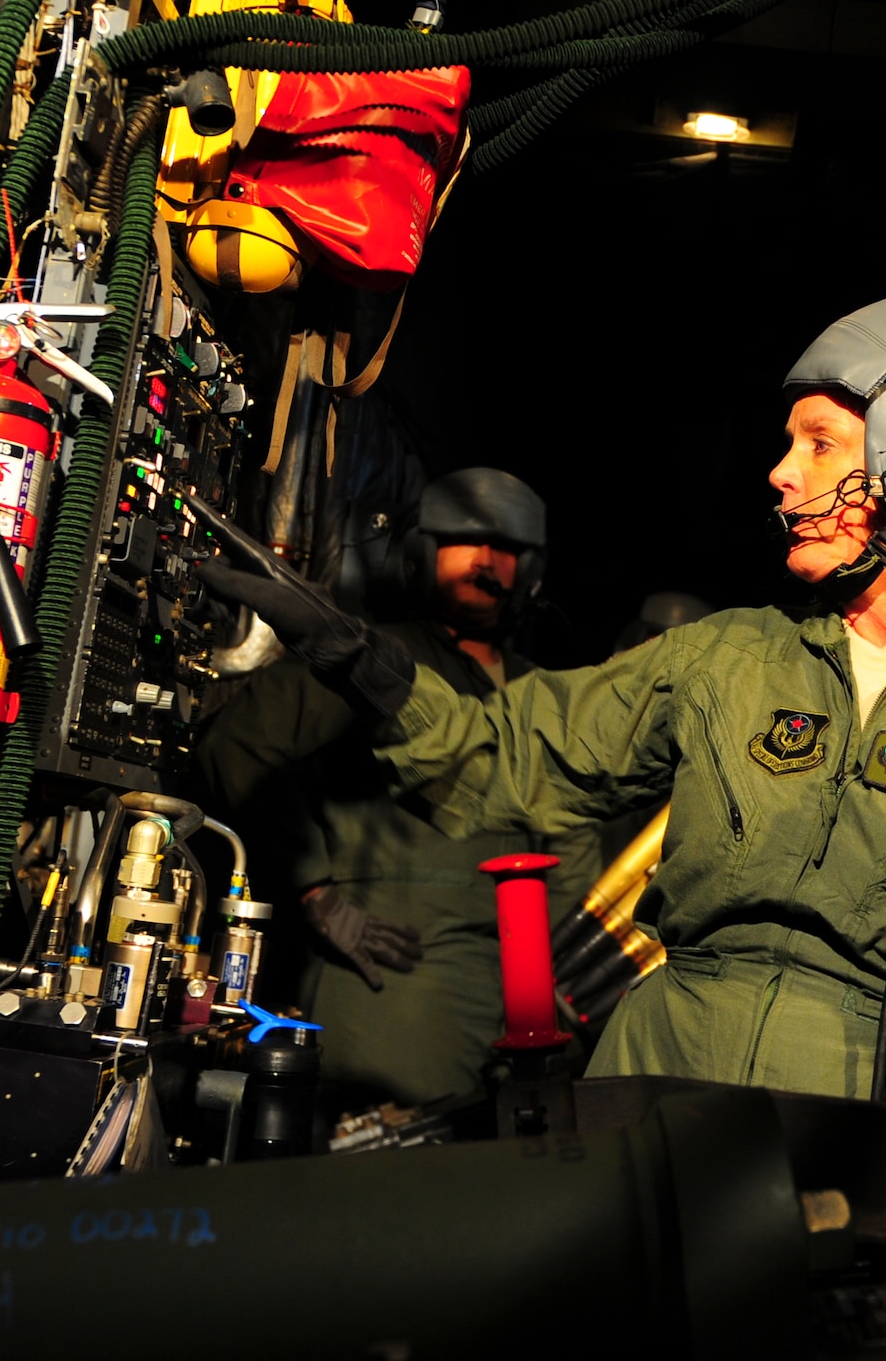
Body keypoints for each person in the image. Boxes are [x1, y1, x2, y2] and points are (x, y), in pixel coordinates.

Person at [200, 295, 886, 1164]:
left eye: (819, 442)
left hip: (859, 1146)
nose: (780, 474)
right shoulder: (723, 660)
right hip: (641, 1109)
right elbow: (496, 758)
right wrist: (355, 655)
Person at [195, 467, 600, 1108]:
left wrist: (569, 972)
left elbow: (572, 830)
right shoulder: (374, 663)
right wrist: (316, 891)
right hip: (397, 978)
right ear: (421, 555)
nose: (487, 561)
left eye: (507, 549)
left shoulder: (543, 693)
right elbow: (237, 746)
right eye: (466, 543)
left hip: (523, 993)